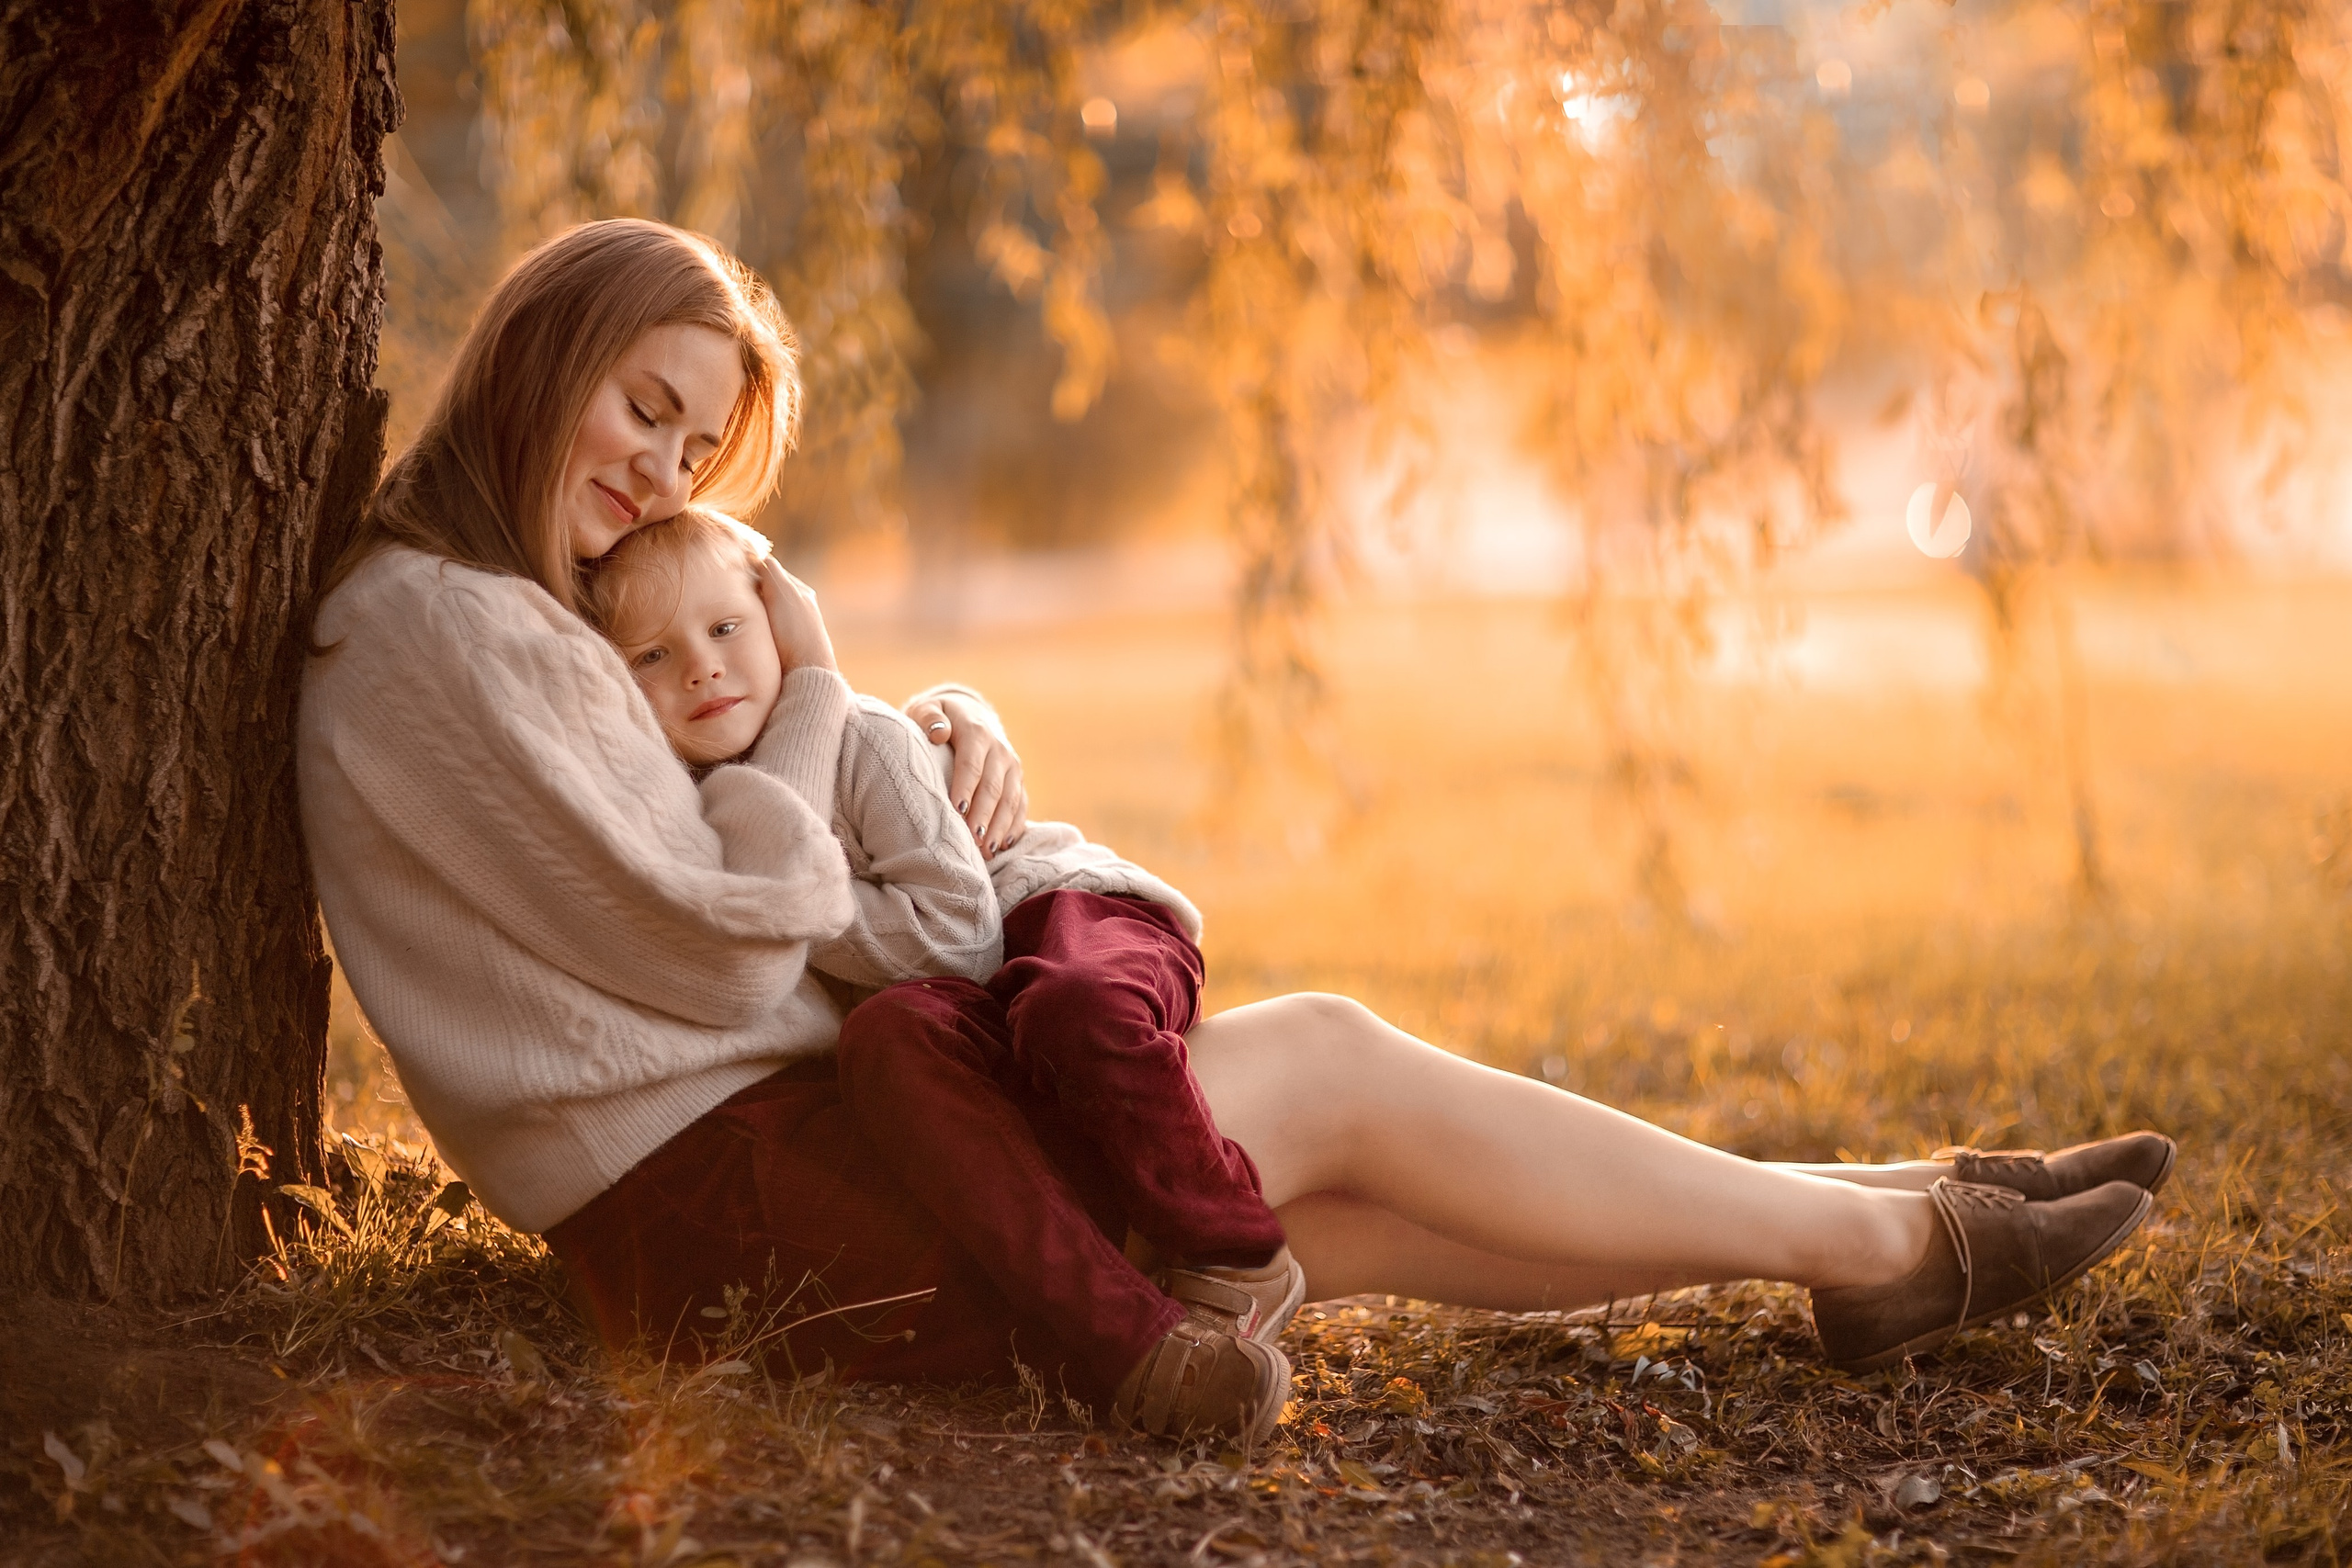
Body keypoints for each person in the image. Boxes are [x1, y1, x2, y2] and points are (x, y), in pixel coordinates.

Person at [299, 218, 2172, 1450]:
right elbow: (724, 928)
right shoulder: (431, 634)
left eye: (690, 452)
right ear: (543, 349)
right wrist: (806, 681)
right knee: (1333, 1069)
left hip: (771, 1162)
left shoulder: (518, 615)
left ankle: (1865, 1225)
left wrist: (911, 733)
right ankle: (1899, 1228)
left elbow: (726, 855)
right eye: (643, 407)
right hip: (735, 1200)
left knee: (1327, 1213)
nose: (655, 474)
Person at [577, 507, 1301, 1438]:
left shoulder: (860, 736)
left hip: (1057, 912)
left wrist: (780, 903)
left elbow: (962, 938)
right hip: (961, 997)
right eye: (651, 657)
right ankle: (1136, 1346)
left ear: (782, 624)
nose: (701, 667)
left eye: (725, 630)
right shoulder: (693, 813)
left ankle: (1235, 1248)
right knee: (888, 1042)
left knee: (1074, 1010)